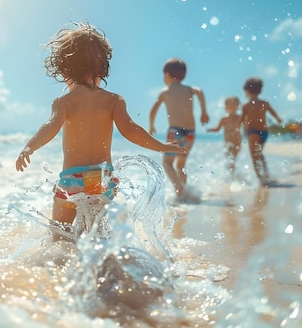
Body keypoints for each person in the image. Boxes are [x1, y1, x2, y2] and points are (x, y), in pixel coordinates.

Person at [15, 22, 186, 241]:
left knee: (59, 235)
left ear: (64, 69)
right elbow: (131, 130)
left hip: (71, 180)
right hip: (102, 180)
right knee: (97, 238)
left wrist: (29, 147)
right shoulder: (113, 100)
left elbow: (50, 126)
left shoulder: (63, 102)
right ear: (103, 68)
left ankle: (59, 266)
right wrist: (160, 146)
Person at [149, 58, 209, 203]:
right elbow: (200, 91)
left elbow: (153, 110)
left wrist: (151, 125)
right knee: (181, 164)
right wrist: (204, 112)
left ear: (167, 75)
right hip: (190, 133)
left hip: (175, 132)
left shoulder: (165, 92)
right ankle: (183, 193)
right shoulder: (189, 90)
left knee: (167, 163)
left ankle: (179, 189)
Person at [239, 77, 283, 186]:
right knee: (259, 154)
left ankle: (261, 179)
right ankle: (266, 175)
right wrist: (278, 119)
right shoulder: (264, 103)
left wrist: (234, 128)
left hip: (253, 132)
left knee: (254, 156)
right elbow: (274, 113)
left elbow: (241, 120)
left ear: (247, 90)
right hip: (264, 132)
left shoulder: (246, 106)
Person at [207, 96, 242, 173]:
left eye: (234, 105)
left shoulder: (239, 118)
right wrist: (210, 129)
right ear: (226, 107)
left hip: (237, 142)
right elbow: (217, 129)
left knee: (233, 159)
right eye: (230, 105)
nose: (232, 107)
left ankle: (232, 173)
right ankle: (229, 174)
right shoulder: (224, 119)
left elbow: (246, 126)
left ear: (238, 106)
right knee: (228, 159)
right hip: (227, 143)